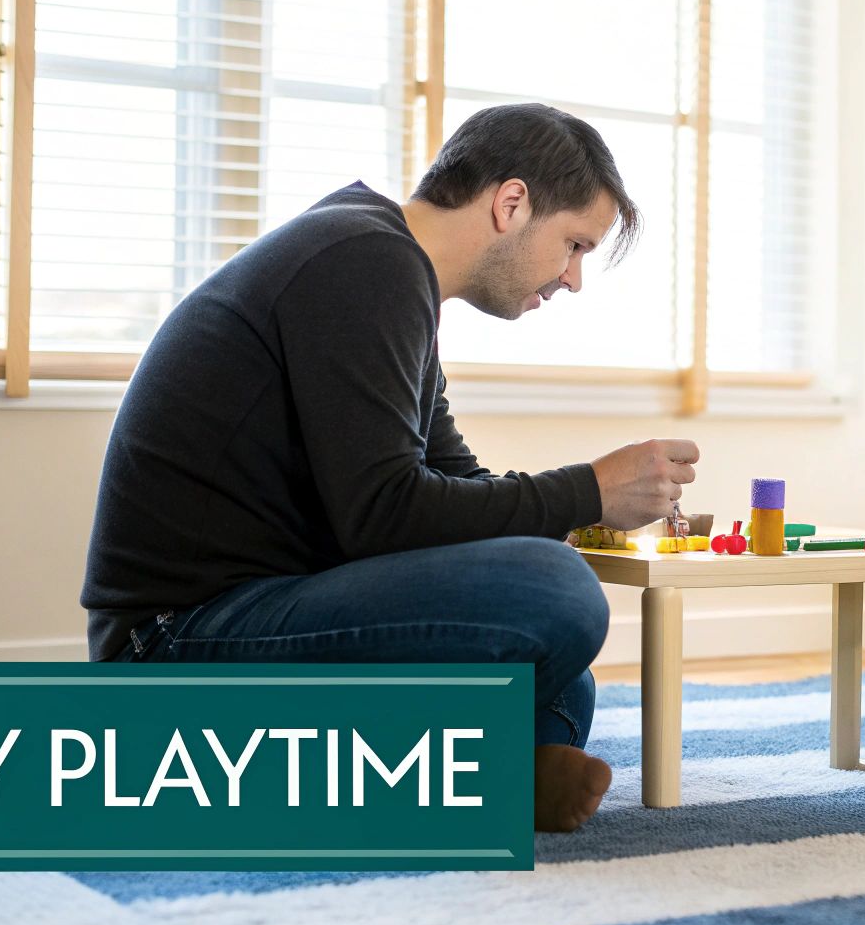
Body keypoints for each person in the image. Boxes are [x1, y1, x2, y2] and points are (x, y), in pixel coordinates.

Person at [80, 103, 699, 832]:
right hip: (170, 644)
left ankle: (426, 777)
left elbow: (452, 481)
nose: (573, 279)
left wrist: (554, 520)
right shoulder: (362, 263)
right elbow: (382, 515)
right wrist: (588, 490)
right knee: (555, 596)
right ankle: (447, 774)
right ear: (510, 204)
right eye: (573, 245)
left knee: (565, 683)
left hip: (255, 609)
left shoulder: (385, 269)